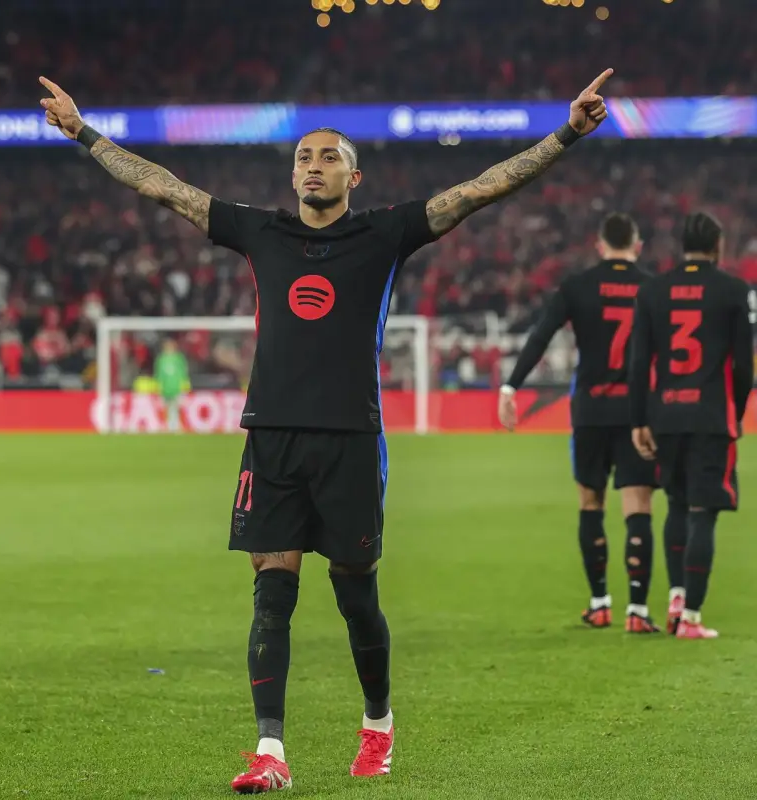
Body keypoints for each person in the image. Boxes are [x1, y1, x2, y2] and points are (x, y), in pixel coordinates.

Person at [41, 69, 614, 791]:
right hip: (273, 435)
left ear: (354, 173)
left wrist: (565, 133)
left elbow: (480, 189)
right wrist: (84, 132)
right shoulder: (260, 229)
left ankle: (377, 724)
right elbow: (163, 187)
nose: (311, 167)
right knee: (271, 593)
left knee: (354, 594)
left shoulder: (384, 233)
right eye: (303, 158)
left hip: (350, 437)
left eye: (327, 157)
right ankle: (269, 753)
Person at [498, 213, 661, 633]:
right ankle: (638, 611)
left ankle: (600, 602)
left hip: (589, 410)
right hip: (638, 413)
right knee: (638, 506)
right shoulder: (654, 288)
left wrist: (510, 387)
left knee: (591, 503)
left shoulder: (577, 287)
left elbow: (541, 335)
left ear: (600, 245)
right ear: (637, 245)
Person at [628, 212, 753, 640]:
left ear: (683, 245)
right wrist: (733, 412)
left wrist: (639, 419)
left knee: (677, 507)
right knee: (704, 512)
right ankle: (692, 619)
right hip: (711, 416)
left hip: (665, 415)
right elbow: (742, 365)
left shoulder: (652, 291)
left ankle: (677, 598)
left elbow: (638, 361)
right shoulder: (735, 291)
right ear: (717, 245)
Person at [155, 337, 190, 432]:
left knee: (177, 407)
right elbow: (159, 374)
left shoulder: (179, 358)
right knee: (167, 407)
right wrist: (159, 385)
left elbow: (183, 372)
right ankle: (169, 426)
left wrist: (185, 383)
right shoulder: (161, 359)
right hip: (166, 388)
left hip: (177, 387)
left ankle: (177, 426)